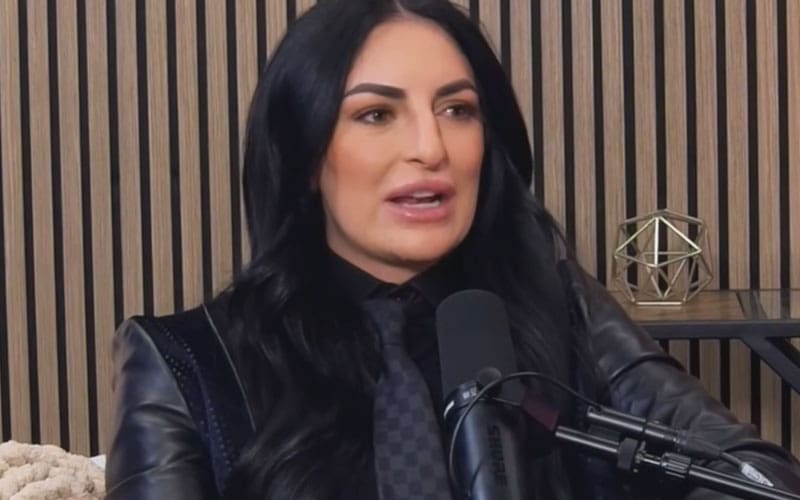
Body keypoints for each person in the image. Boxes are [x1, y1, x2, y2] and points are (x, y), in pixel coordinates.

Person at [104, 1, 800, 499]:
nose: (430, 147)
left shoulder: (559, 306)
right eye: (376, 114)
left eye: (457, 109)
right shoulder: (186, 362)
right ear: (307, 155)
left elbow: (755, 474)